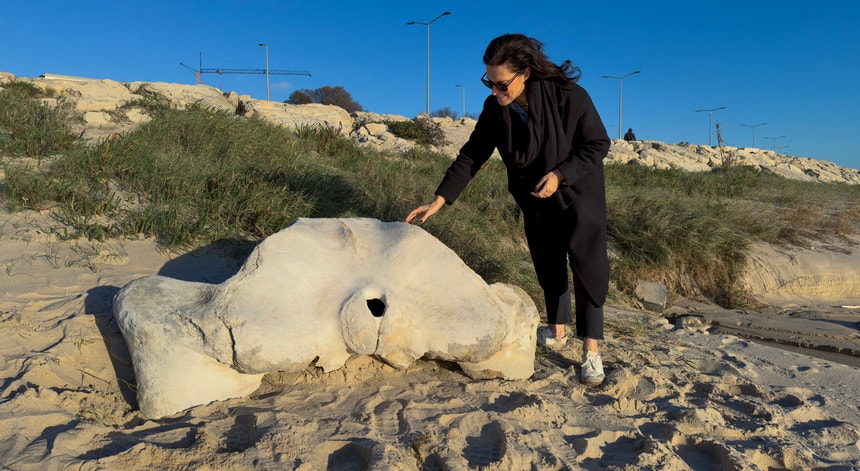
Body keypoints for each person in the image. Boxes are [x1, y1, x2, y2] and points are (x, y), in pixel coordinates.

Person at [405, 33, 610, 386]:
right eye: (489, 83)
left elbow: (597, 144)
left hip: (579, 190)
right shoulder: (495, 110)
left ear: (525, 73)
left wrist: (560, 175)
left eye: (502, 84)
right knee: (547, 260)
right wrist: (439, 199)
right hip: (534, 194)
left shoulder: (570, 96)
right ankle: (556, 330)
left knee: (588, 266)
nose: (495, 91)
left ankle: (591, 350)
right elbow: (472, 154)